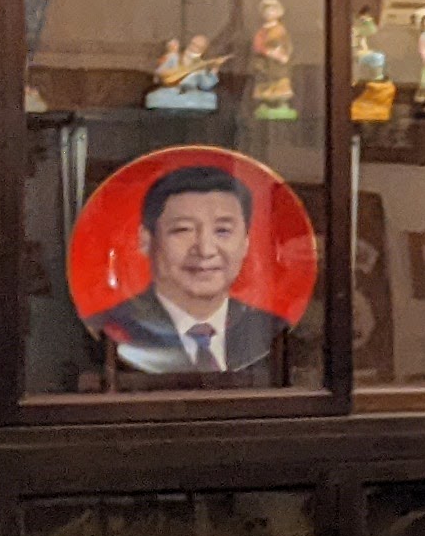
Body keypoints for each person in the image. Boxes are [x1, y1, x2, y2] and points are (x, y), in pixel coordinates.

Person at [86, 158, 294, 381]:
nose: (205, 250)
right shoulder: (110, 330)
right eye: (183, 230)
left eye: (222, 231)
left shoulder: (271, 331)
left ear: (245, 243)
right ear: (146, 240)